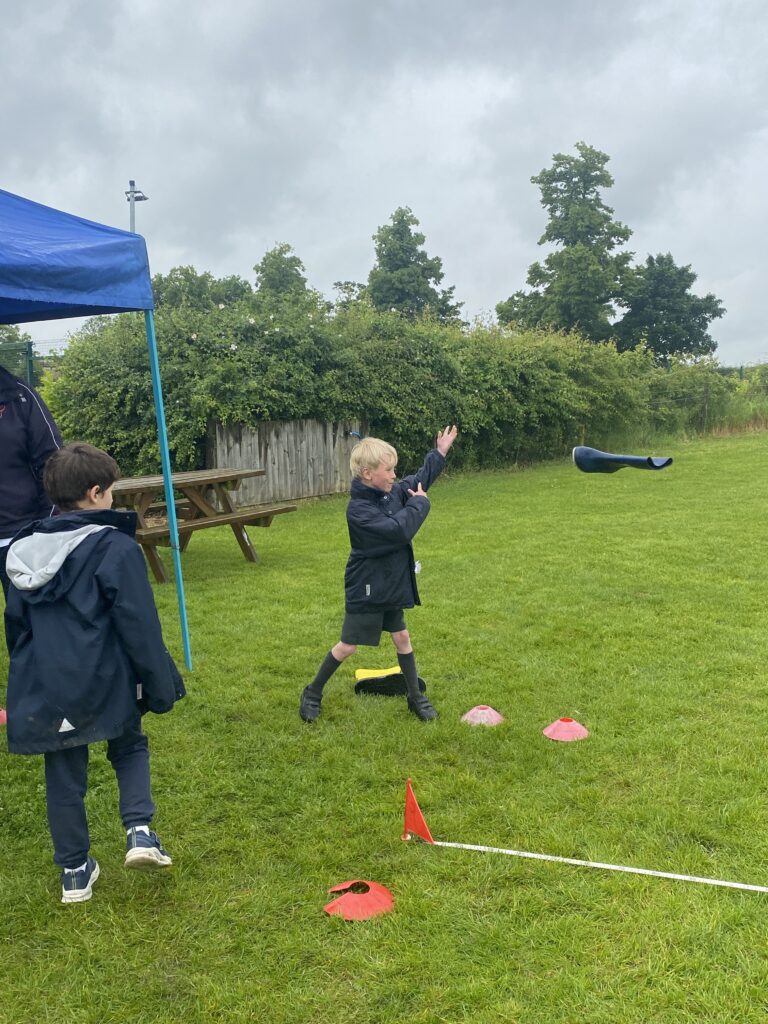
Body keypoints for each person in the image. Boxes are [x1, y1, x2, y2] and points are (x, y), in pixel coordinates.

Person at [4, 443, 185, 904]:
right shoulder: (115, 547)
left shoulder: (21, 551)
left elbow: (16, 628)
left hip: (46, 681)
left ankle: (74, 872)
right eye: (112, 491)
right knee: (128, 744)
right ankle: (140, 833)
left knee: (63, 768)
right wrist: (158, 682)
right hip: (107, 675)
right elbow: (139, 623)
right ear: (95, 492)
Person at [300, 425, 458, 724]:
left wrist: (439, 453)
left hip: (391, 583)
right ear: (367, 473)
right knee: (349, 646)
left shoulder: (393, 493)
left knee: (402, 636)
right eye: (389, 469)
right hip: (367, 585)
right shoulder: (358, 510)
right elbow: (397, 531)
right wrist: (420, 504)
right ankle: (312, 692)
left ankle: (415, 697)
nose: (395, 475)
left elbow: (419, 480)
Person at [0, 363, 62, 601]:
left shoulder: (19, 396)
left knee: (29, 628)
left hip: (20, 536)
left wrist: (43, 526)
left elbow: (52, 461)